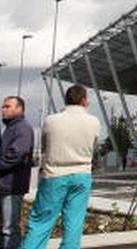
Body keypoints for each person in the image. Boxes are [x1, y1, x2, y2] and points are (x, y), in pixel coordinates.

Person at [22, 85, 101, 249]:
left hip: (55, 174)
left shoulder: (51, 120)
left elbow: (45, 147)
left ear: (66, 99)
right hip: (82, 174)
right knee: (74, 224)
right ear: (84, 100)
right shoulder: (94, 122)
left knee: (41, 222)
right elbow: (93, 148)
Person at [0, 96, 34, 249]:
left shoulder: (22, 128)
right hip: (5, 185)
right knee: (6, 228)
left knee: (10, 229)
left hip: (12, 186)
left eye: (7, 106)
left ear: (19, 109)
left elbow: (15, 154)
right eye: (3, 106)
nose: (3, 109)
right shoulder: (9, 128)